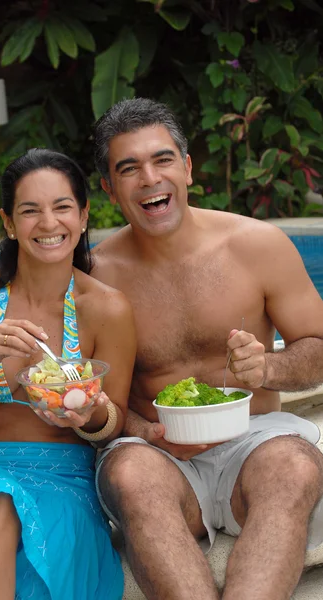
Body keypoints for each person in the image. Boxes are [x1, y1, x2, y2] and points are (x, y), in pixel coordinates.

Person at [90, 97, 323, 600]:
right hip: (155, 451)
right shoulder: (93, 277)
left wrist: (268, 368)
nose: (149, 178)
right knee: (129, 476)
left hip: (254, 438)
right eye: (128, 168)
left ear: (188, 167)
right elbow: (90, 395)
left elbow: (319, 346)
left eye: (163, 159)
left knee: (295, 465)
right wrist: (145, 430)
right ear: (109, 189)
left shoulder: (259, 245)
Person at [0, 148, 136, 600]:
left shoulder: (107, 308)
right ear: (8, 222)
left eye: (61, 207)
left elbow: (112, 424)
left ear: (82, 216)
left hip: (64, 484)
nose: (48, 223)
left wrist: (89, 412)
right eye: (30, 210)